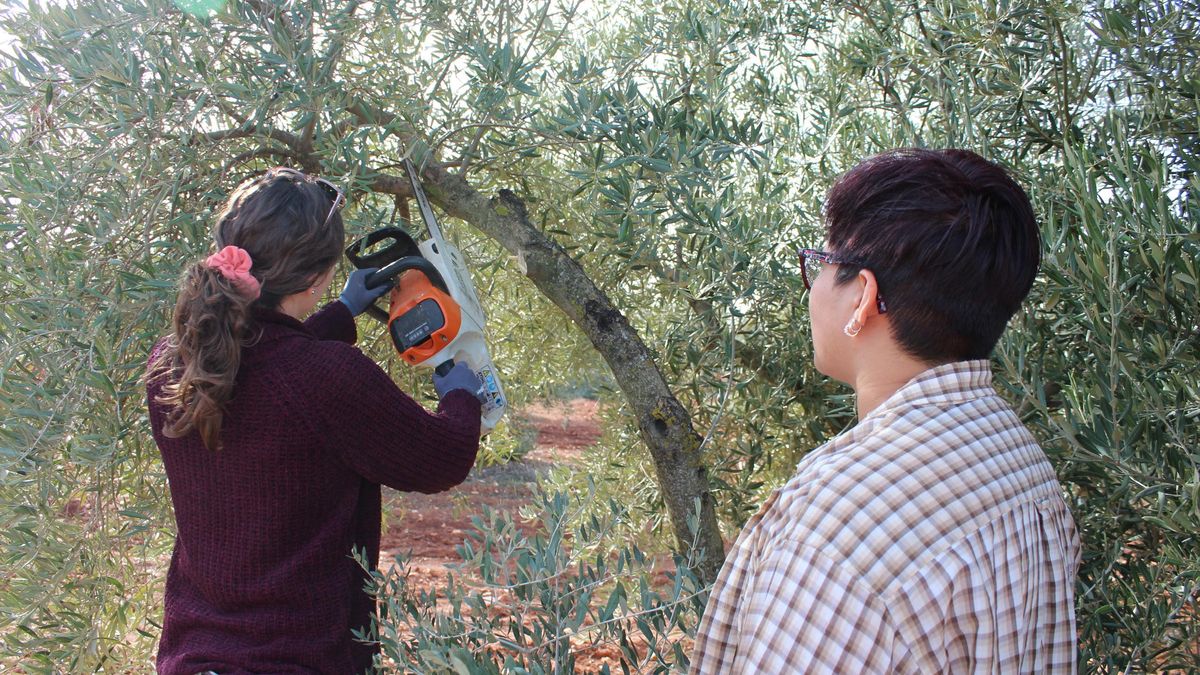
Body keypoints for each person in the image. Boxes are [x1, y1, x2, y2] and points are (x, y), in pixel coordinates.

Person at [691, 149, 1080, 673]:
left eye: (821, 263)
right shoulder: (1020, 461)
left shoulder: (836, 535)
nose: (814, 287)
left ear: (863, 298)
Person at [145, 167, 485, 674]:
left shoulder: (174, 365)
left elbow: (266, 369)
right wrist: (462, 395)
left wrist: (343, 312)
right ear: (317, 278)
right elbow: (443, 459)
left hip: (197, 657)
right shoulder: (325, 378)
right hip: (299, 658)